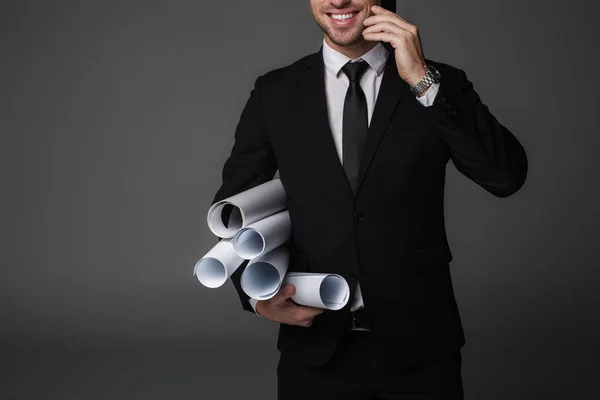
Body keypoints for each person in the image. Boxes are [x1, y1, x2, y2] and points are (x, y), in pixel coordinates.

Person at [211, 1, 528, 399]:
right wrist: (256, 298)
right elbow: (232, 213)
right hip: (315, 353)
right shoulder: (274, 92)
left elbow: (505, 176)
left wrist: (423, 81)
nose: (338, 1)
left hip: (422, 350)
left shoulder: (438, 83)